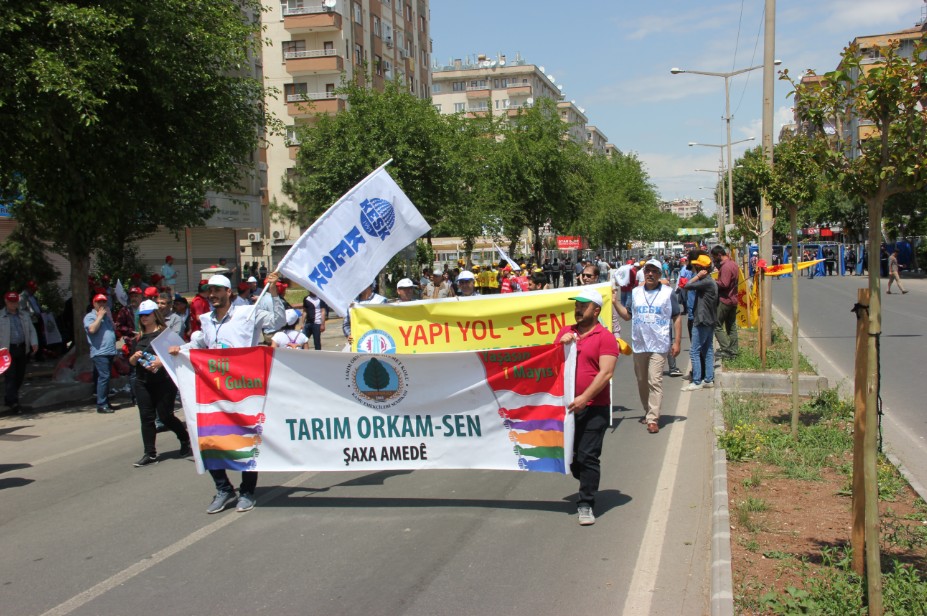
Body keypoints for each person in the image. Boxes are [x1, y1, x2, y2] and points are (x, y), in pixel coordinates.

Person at [168, 273, 285, 514]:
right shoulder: (206, 321)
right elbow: (199, 345)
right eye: (209, 291)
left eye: (217, 290)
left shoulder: (247, 313)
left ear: (228, 292)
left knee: (247, 441)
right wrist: (180, 350)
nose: (212, 295)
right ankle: (223, 489)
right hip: (215, 390)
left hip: (246, 389)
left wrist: (273, 291)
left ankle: (247, 491)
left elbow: (278, 321)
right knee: (210, 440)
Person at [554, 288, 618, 526]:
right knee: (572, 459)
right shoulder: (565, 332)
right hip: (567, 408)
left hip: (594, 407)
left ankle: (586, 503)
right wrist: (560, 346)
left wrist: (585, 398)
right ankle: (586, 479)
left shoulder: (605, 337)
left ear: (596, 310)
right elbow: (551, 365)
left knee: (588, 455)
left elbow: (606, 373)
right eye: (576, 306)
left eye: (583, 306)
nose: (578, 310)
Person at [614, 259, 682, 434]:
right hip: (640, 343)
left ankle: (653, 418)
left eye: (654, 271)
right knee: (642, 381)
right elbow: (627, 315)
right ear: (643, 273)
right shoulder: (635, 292)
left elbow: (676, 316)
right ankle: (648, 410)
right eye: (647, 271)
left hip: (659, 344)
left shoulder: (668, 293)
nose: (650, 274)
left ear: (659, 274)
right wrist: (614, 302)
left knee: (655, 380)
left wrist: (677, 342)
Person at [129, 300, 190, 467]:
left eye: (147, 315)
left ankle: (184, 439)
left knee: (165, 416)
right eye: (141, 315)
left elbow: (183, 352)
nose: (144, 318)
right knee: (146, 417)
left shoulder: (166, 334)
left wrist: (161, 362)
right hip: (142, 381)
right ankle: (150, 454)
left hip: (164, 382)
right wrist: (134, 358)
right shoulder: (138, 337)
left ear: (155, 315)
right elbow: (131, 362)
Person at [680, 255, 718, 391]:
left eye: (696, 267)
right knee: (707, 350)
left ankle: (696, 381)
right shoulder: (710, 281)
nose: (694, 269)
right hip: (710, 319)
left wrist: (697, 276)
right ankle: (708, 379)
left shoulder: (705, 281)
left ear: (702, 269)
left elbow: (687, 285)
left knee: (694, 351)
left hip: (702, 319)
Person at [1, 291, 38, 414]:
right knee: (10, 376)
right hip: (7, 350)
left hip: (22, 348)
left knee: (20, 375)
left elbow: (31, 330)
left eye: (15, 302)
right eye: (11, 302)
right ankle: (13, 402)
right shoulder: (1, 316)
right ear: (6, 301)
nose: (13, 304)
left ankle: (9, 397)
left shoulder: (24, 315)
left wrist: (34, 342)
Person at [84, 293, 118, 414]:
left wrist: (109, 317)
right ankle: (101, 404)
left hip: (109, 351)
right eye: (99, 302)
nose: (102, 304)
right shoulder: (90, 316)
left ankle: (105, 401)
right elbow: (92, 329)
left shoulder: (106, 316)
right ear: (94, 303)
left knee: (106, 377)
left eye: (104, 302)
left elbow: (113, 330)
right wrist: (99, 317)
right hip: (100, 352)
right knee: (104, 377)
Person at [711, 246, 741, 359]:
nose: (714, 260)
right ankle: (734, 351)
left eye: (714, 257)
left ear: (719, 255)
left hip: (725, 299)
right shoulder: (733, 264)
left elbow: (724, 283)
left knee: (716, 324)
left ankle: (726, 349)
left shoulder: (726, 267)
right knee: (731, 326)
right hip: (733, 298)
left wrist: (713, 281)